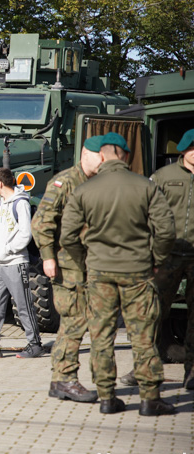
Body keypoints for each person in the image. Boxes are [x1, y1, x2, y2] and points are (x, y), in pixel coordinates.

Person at [60, 132, 177, 416]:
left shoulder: (84, 190)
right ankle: (150, 400)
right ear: (125, 155)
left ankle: (107, 398)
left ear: (101, 157)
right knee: (143, 337)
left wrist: (86, 261)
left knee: (101, 337)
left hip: (99, 274)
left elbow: (68, 236)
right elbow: (166, 231)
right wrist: (157, 260)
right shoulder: (145, 186)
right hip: (138, 273)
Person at [31, 136, 104, 401]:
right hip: (68, 266)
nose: (104, 160)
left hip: (92, 266)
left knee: (84, 323)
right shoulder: (65, 182)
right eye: (100, 155)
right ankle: (64, 379)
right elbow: (42, 222)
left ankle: (65, 380)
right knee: (74, 323)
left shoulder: (98, 182)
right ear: (85, 153)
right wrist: (48, 256)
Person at [0, 167, 44, 359]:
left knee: (23, 305)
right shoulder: (1, 203)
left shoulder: (20, 203)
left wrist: (8, 249)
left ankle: (35, 344)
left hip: (14, 262)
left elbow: (26, 233)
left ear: (0, 183)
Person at [150, 128, 194, 391]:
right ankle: (147, 365)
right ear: (184, 150)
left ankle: (191, 371)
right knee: (154, 312)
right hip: (168, 255)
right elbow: (147, 214)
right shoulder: (163, 177)